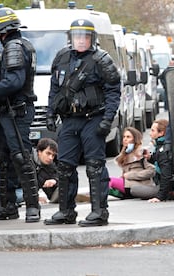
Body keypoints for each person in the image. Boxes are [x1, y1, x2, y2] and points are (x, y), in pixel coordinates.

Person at [44, 19, 121, 227]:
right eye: (77, 36)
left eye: (85, 36)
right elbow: (55, 89)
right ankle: (66, 211)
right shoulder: (61, 57)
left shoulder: (101, 60)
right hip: (70, 119)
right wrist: (50, 113)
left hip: (93, 118)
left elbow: (114, 91)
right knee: (65, 166)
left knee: (95, 165)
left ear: (91, 38)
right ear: (71, 38)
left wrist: (107, 119)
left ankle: (99, 212)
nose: (80, 40)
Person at [0, 7, 40, 223]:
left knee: (21, 157)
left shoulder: (14, 47)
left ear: (1, 29)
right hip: (9, 110)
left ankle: (33, 206)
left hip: (17, 111)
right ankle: (8, 206)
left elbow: (13, 82)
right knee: (4, 158)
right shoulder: (19, 45)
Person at [109, 127, 157, 200]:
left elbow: (151, 171)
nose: (125, 139)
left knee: (109, 180)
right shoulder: (125, 153)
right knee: (103, 181)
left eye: (128, 137)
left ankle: (97, 197)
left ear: (135, 139)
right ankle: (95, 195)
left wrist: (130, 175)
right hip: (128, 184)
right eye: (124, 137)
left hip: (140, 185)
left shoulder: (142, 153)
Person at [145, 119, 174, 203]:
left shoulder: (163, 150)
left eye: (153, 130)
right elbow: (159, 161)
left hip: (169, 188)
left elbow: (166, 174)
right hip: (171, 186)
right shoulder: (162, 146)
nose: (150, 133)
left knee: (134, 189)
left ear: (161, 133)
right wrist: (150, 158)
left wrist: (160, 197)